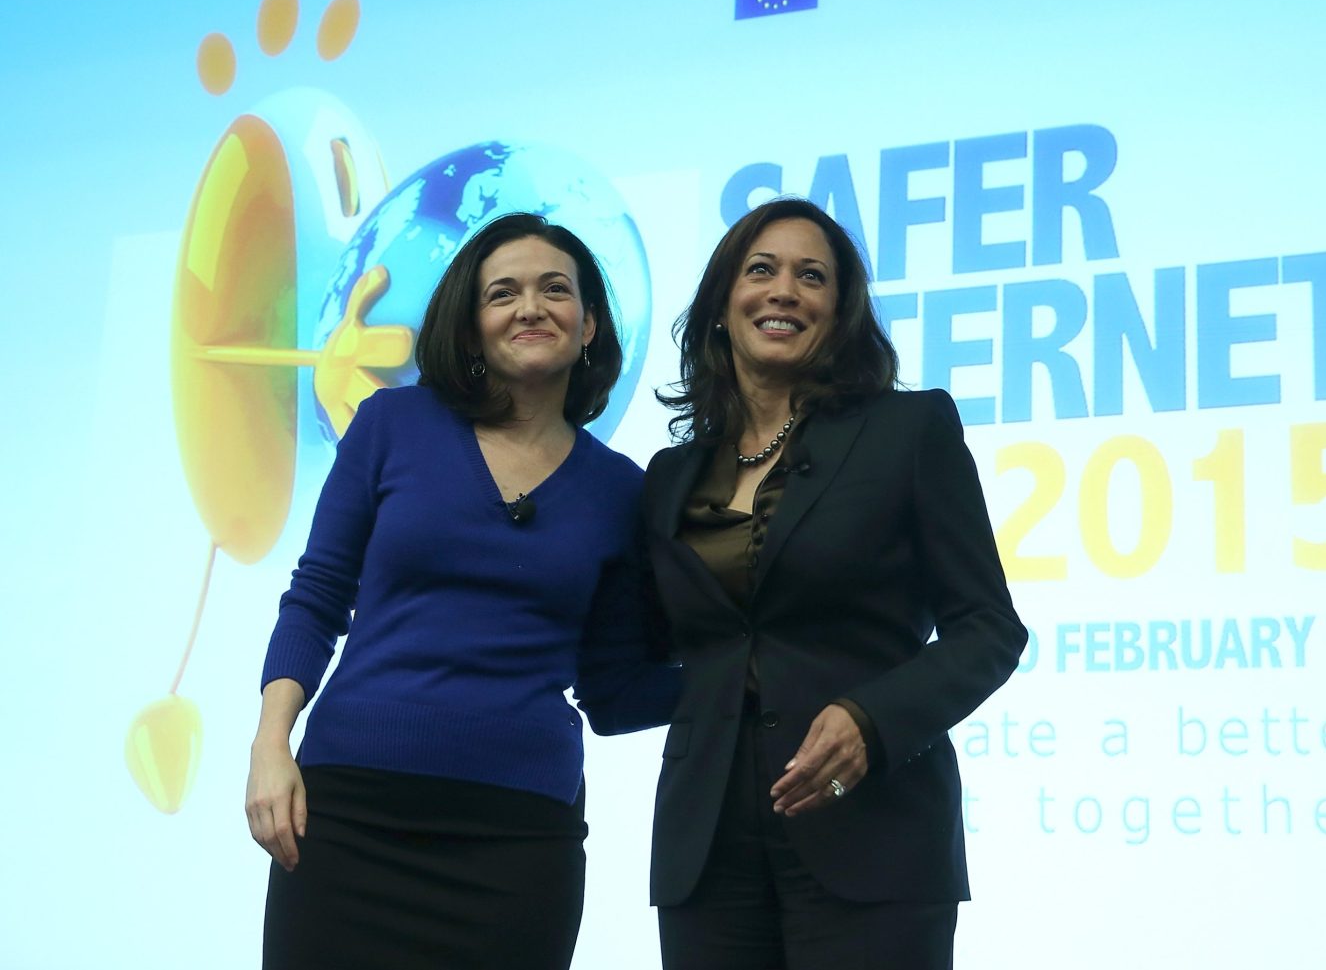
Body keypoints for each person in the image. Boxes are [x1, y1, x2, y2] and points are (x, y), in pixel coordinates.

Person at [245, 212, 679, 970]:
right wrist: (270, 743)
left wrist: (750, 671)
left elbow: (612, 687)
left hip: (518, 839)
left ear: (589, 327)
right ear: (472, 328)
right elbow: (316, 596)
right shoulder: (390, 424)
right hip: (348, 814)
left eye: (555, 289)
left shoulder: (622, 492)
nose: (530, 306)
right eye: (502, 292)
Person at [643, 198, 1028, 969]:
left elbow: (990, 628)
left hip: (874, 827)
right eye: (761, 270)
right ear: (723, 303)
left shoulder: (908, 431)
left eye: (810, 276)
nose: (784, 290)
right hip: (706, 841)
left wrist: (871, 720)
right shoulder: (666, 478)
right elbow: (642, 654)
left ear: (840, 312)